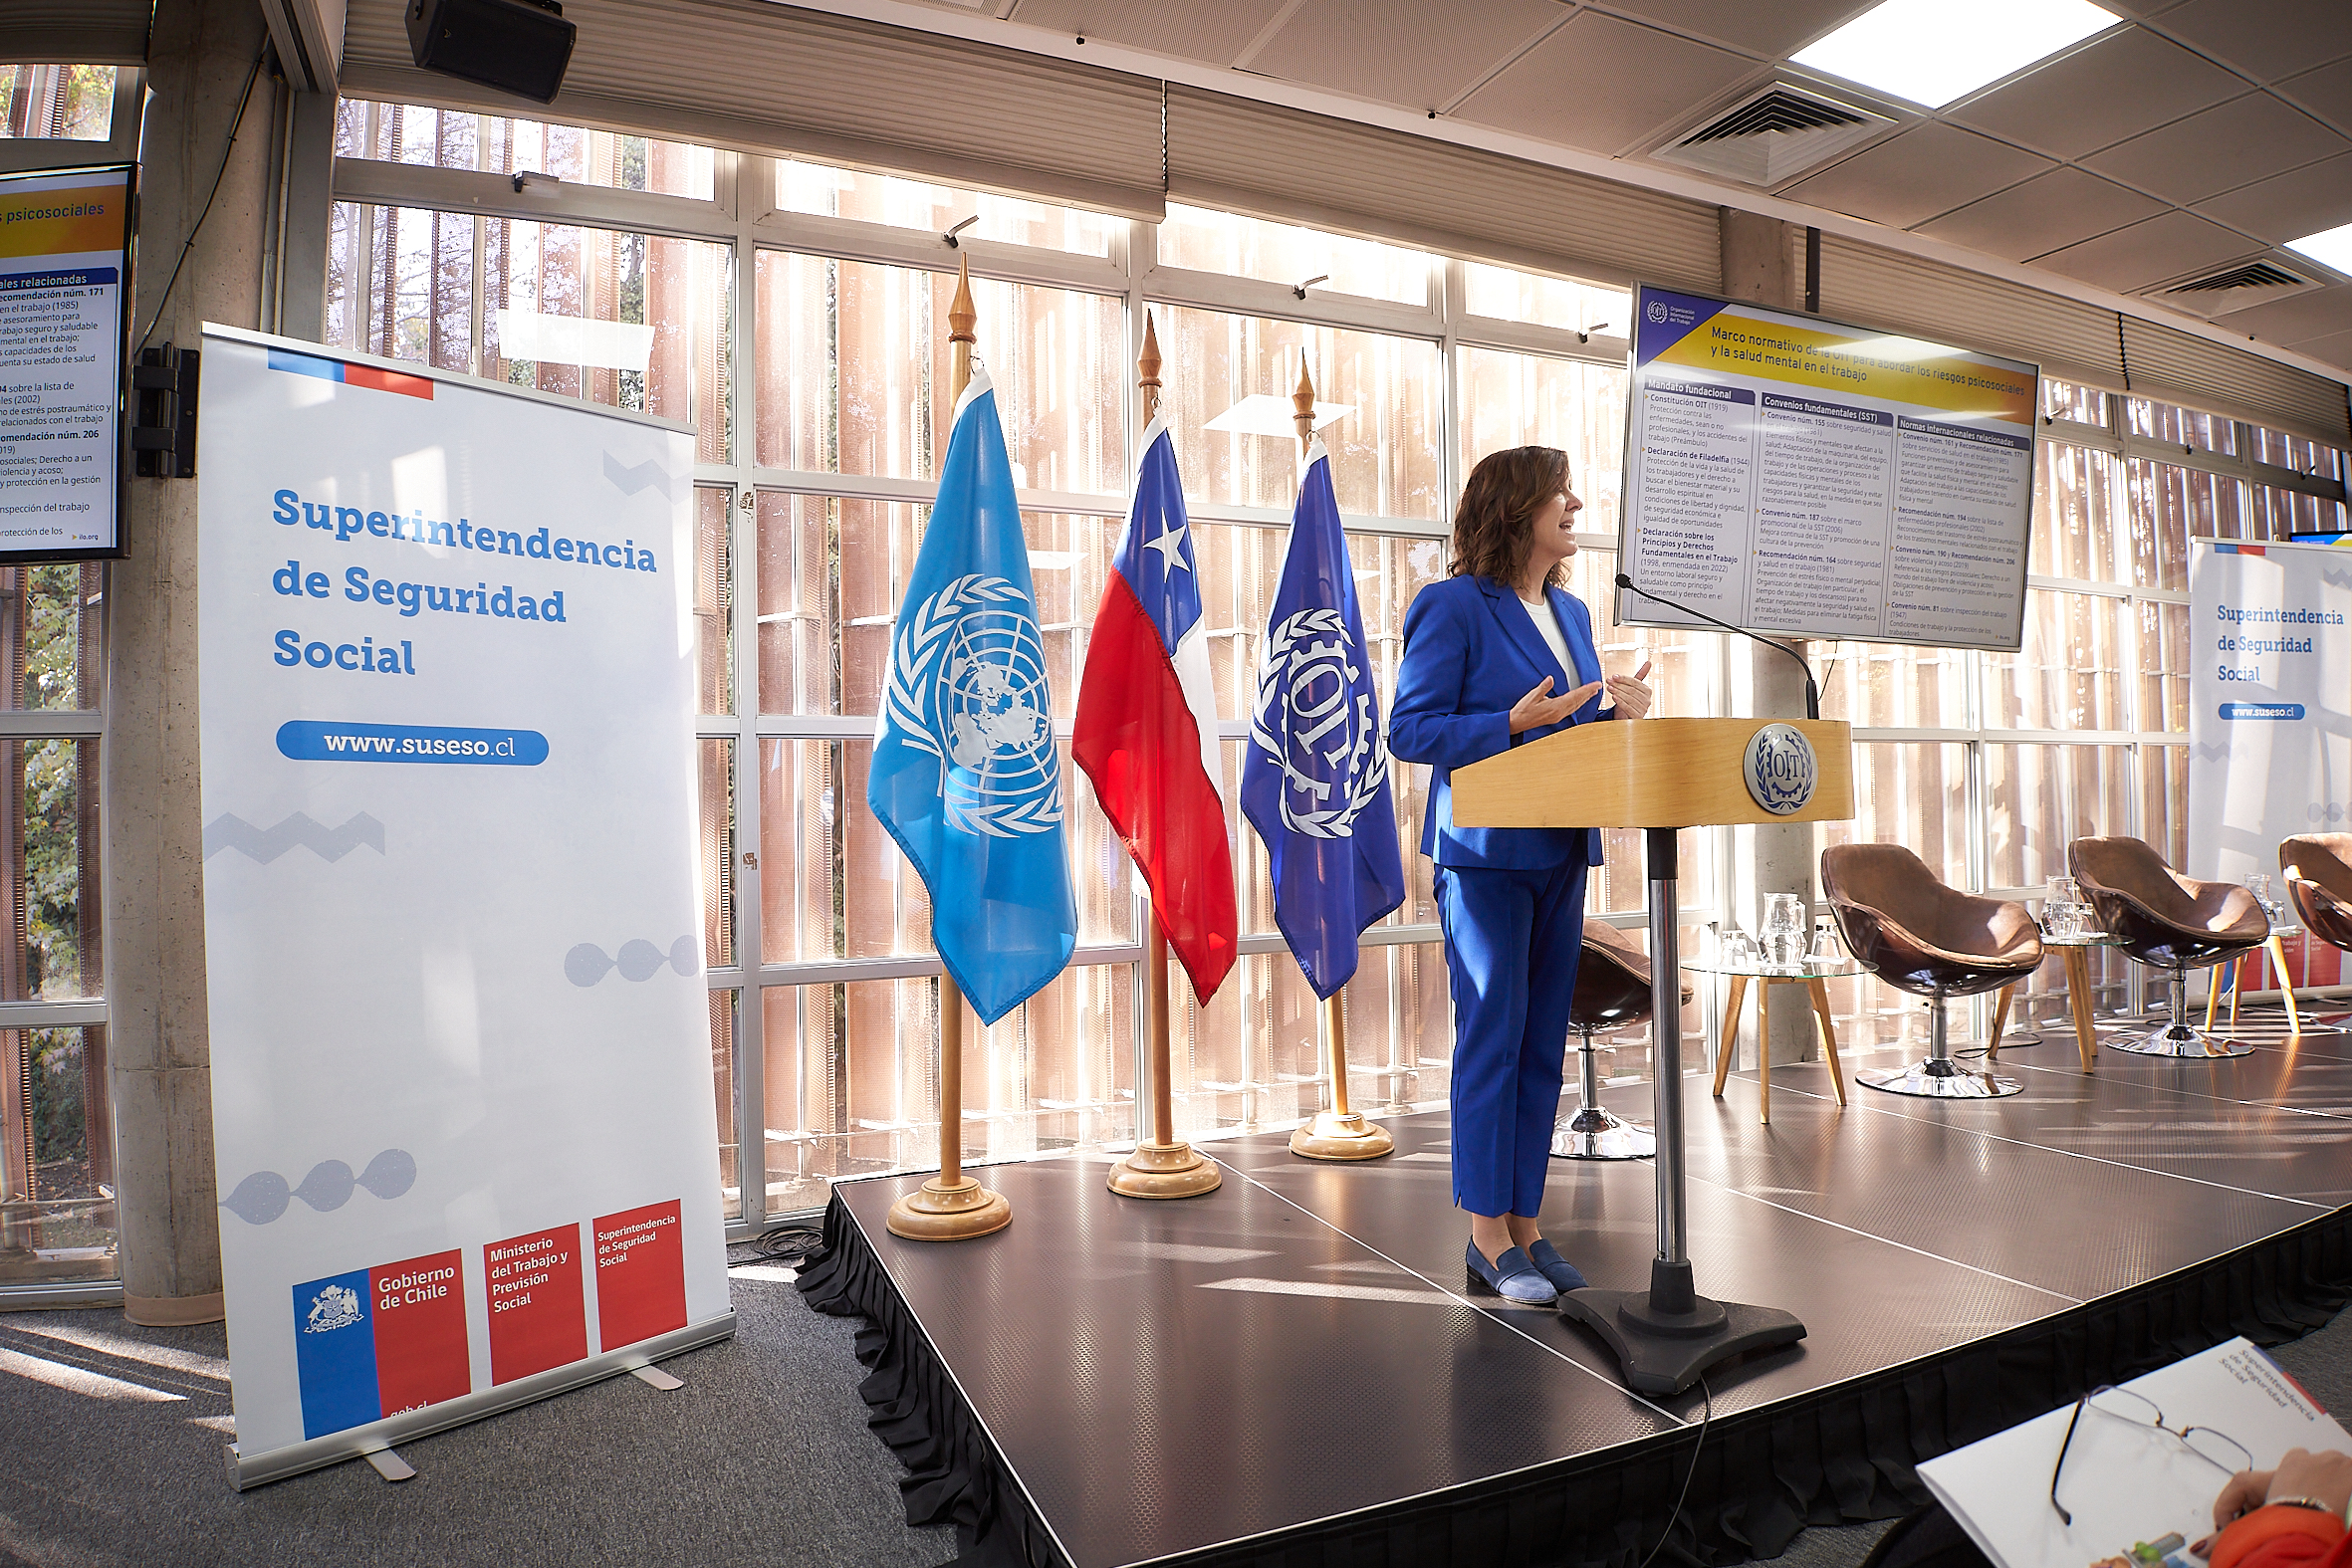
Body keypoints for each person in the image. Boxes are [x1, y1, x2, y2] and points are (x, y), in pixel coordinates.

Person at [1389, 446, 1652, 1306]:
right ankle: (1486, 1236)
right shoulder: (1452, 605)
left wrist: (1614, 712)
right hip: (1484, 856)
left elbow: (1564, 731)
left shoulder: (1571, 612)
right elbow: (1409, 729)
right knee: (1493, 1038)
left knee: (1542, 1040)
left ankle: (1528, 1225)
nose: (1574, 504)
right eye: (1558, 493)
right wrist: (1506, 721)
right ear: (1516, 508)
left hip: (1561, 848)